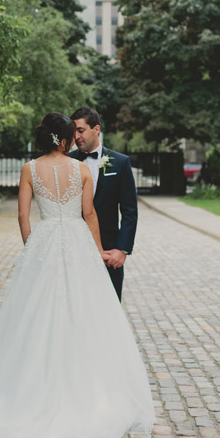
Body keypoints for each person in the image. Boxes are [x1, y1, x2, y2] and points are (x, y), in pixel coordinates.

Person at [0, 113, 155, 438]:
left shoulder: (29, 169)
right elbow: (89, 214)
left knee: (35, 317)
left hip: (44, 242)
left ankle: (29, 390)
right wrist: (94, 254)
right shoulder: (79, 169)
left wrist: (33, 249)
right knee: (85, 314)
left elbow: (22, 215)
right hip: (78, 241)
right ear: (64, 139)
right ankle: (88, 390)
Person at [69, 106, 139, 300]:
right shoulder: (67, 162)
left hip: (109, 253)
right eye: (73, 132)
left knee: (110, 310)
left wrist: (122, 249)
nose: (76, 136)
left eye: (80, 130)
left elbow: (129, 211)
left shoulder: (120, 162)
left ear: (96, 129)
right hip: (74, 250)